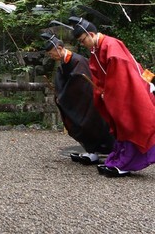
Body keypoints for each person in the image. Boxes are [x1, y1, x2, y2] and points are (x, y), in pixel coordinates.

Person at [70, 16, 155, 177]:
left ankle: (125, 164)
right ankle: (119, 160)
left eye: (83, 40)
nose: (82, 44)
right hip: (117, 93)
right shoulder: (97, 49)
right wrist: (102, 90)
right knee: (121, 127)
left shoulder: (111, 46)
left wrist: (107, 92)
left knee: (131, 126)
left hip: (130, 92)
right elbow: (99, 75)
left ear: (91, 34)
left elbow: (121, 75)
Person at [40, 32, 114, 165]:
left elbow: (80, 83)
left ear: (60, 48)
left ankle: (99, 152)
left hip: (89, 102)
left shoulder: (78, 61)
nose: (51, 56)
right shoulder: (64, 62)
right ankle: (91, 151)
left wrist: (63, 95)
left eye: (52, 53)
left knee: (91, 125)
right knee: (79, 124)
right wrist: (60, 94)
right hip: (79, 102)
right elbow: (64, 81)